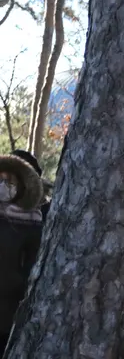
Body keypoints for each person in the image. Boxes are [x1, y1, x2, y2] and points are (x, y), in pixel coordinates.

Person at [0, 150, 45, 350]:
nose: (3, 185)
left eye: (10, 182)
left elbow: (31, 271)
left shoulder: (34, 224)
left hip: (7, 316)